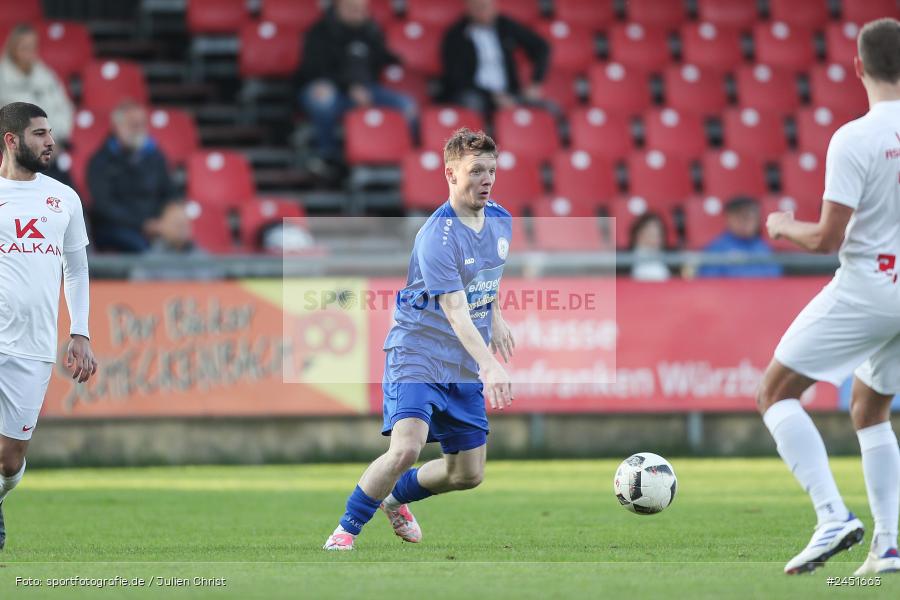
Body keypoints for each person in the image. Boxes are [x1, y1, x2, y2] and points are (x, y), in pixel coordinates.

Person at [322, 128, 515, 550]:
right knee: (406, 449)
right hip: (419, 352)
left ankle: (394, 498)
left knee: (468, 475)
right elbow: (455, 310)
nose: (486, 179)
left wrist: (496, 314)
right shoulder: (437, 237)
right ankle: (345, 531)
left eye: (491, 170)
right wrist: (490, 363)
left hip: (461, 362)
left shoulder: (501, 219)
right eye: (476, 170)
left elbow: (485, 275)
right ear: (450, 174)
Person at [760, 18, 900, 575]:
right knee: (869, 407)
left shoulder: (855, 137)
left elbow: (825, 239)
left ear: (859, 67)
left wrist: (782, 224)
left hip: (869, 286)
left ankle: (832, 516)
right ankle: (888, 545)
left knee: (773, 393)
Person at [0, 102, 97, 550]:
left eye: (51, 133)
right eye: (40, 133)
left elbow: (76, 269)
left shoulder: (63, 198)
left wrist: (80, 332)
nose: (51, 141)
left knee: (8, 459)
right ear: (12, 140)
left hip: (32, 347)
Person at [297, 0, 417, 171]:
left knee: (407, 106)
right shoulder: (319, 32)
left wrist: (400, 60)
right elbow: (314, 70)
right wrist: (349, 87)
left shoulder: (371, 31)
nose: (358, 13)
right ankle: (327, 155)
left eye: (362, 9)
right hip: (333, 89)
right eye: (352, 8)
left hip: (368, 90)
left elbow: (379, 58)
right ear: (338, 7)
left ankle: (402, 161)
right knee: (322, 98)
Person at [87, 100, 185, 253]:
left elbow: (169, 191)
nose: (140, 130)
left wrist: (171, 215)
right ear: (117, 127)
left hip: (157, 226)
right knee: (148, 250)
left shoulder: (155, 156)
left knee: (187, 244)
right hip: (116, 229)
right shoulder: (101, 161)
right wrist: (144, 224)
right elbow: (104, 207)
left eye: (143, 124)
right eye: (133, 125)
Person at [440, 0, 550, 116]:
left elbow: (541, 47)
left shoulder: (505, 26)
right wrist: (493, 95)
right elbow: (456, 78)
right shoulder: (456, 35)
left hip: (510, 93)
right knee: (471, 105)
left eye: (487, 6)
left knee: (548, 109)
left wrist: (536, 82)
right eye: (478, 7)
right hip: (476, 93)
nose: (484, 11)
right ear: (468, 9)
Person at [0, 25, 74, 145]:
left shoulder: (45, 74)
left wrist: (57, 137)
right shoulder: (2, 77)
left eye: (33, 47)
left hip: (55, 142)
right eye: (25, 47)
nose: (30, 51)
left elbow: (64, 107)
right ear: (13, 48)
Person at [697, 196, 783, 278]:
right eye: (741, 216)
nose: (747, 221)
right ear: (729, 218)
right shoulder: (716, 249)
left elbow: (775, 278)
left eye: (752, 216)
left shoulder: (764, 247)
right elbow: (710, 284)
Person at [628, 213, 670, 281]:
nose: (654, 239)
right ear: (638, 235)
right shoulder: (624, 264)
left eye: (657, 234)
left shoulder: (672, 262)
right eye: (649, 233)